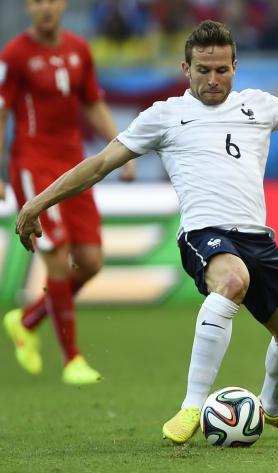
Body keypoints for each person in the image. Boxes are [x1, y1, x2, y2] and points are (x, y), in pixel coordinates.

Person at [15, 20, 278, 442]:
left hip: (258, 237)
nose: (213, 79)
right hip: (203, 233)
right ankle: (192, 405)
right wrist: (38, 201)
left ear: (235, 67)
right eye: (203, 70)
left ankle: (273, 407)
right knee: (232, 281)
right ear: (186, 69)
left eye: (222, 70)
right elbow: (100, 164)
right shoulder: (164, 116)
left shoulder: (257, 105)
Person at [0, 0, 136, 385]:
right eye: (37, 1)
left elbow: (93, 103)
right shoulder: (14, 55)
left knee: (90, 261)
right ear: (28, 8)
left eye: (52, 0)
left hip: (74, 165)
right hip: (33, 164)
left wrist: (123, 149)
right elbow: (2, 112)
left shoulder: (79, 49)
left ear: (62, 5)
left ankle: (27, 321)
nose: (46, 8)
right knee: (57, 258)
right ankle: (72, 358)